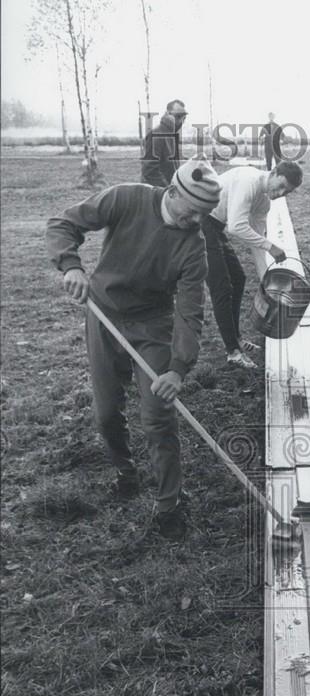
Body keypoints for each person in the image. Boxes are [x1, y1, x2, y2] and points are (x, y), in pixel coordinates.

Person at [46, 159, 222, 541]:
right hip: (103, 314)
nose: (195, 221)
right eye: (191, 211)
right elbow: (63, 223)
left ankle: (169, 505)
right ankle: (126, 473)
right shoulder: (126, 198)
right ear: (172, 193)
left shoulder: (194, 247)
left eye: (203, 215)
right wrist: (71, 266)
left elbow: (190, 313)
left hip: (152, 325)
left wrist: (177, 368)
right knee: (107, 412)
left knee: (158, 416)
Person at [202, 160, 303, 367]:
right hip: (201, 220)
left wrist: (266, 279)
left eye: (287, 192)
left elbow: (256, 241)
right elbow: (237, 226)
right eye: (281, 186)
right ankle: (232, 352)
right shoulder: (249, 181)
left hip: (215, 226)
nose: (280, 193)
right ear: (273, 172)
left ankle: (236, 339)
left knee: (238, 279)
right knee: (221, 287)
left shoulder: (264, 202)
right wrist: (271, 246)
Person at [141, 99, 188, 187]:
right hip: (155, 194)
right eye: (177, 116)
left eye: (184, 117)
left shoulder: (172, 135)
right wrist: (168, 189)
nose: (181, 121)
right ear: (167, 114)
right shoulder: (155, 135)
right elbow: (149, 171)